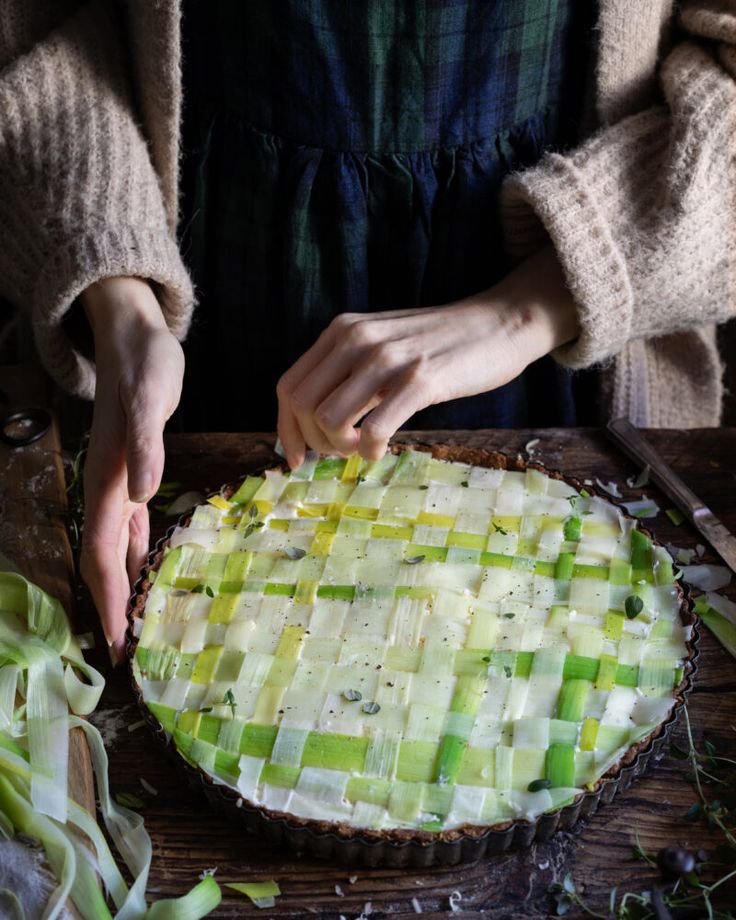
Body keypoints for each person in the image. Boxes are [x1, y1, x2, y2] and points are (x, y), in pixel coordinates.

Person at [0, 0, 734, 662]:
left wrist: (532, 306)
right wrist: (121, 304)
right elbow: (33, 30)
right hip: (202, 308)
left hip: (567, 340)